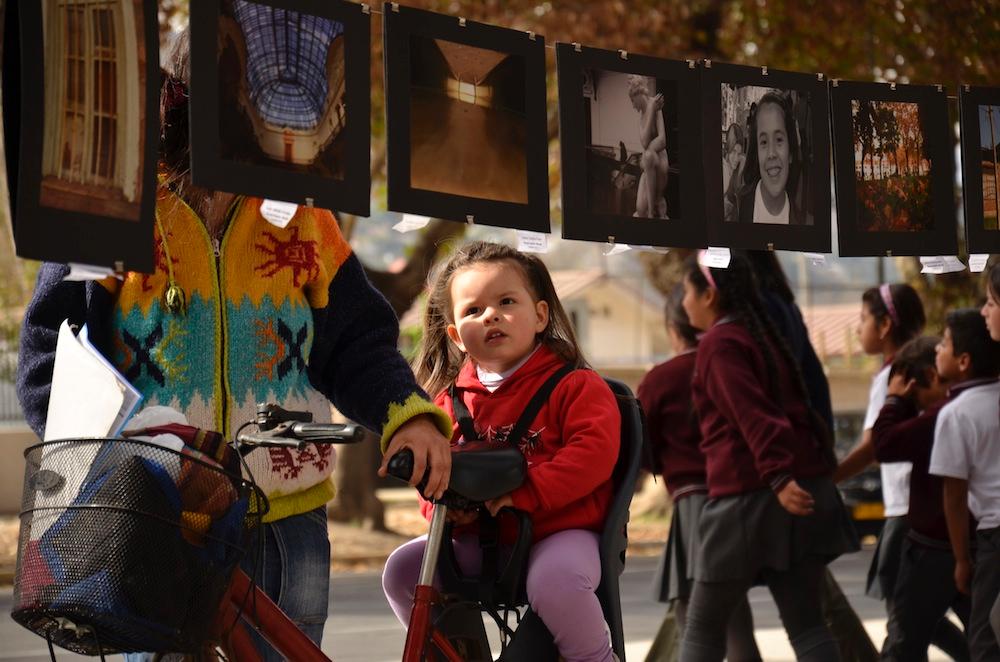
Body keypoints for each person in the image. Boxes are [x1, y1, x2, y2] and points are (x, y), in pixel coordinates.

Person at [16, 29, 453, 661]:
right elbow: (47, 359)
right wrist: (137, 458)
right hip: (155, 516)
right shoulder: (116, 205)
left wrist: (406, 415)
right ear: (191, 100)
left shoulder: (305, 214)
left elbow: (357, 341)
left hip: (288, 515)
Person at [381, 241, 621, 662]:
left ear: (541, 315)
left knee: (557, 583)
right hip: (480, 539)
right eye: (473, 310)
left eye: (506, 302)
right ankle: (454, 654)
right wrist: (443, 505)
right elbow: (432, 471)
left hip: (558, 532)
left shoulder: (577, 385)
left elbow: (593, 455)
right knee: (403, 569)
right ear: (455, 335)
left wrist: (524, 493)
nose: (490, 315)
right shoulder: (446, 403)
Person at [678, 254, 856, 662]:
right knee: (807, 624)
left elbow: (752, 413)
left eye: (686, 291)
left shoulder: (721, 343)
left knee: (703, 627)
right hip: (792, 491)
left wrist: (777, 477)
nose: (683, 302)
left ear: (709, 295)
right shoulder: (758, 334)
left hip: (748, 498)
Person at [742, 250, 877, 662]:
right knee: (810, 612)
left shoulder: (751, 319)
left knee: (710, 606)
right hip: (800, 473)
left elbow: (758, 411)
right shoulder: (785, 309)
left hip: (770, 483)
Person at [639, 288, 761, 662]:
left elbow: (644, 453)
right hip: (742, 497)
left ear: (675, 330)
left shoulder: (660, 379)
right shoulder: (735, 362)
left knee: (695, 619)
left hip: (693, 505)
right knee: (735, 617)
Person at [872, 332, 978, 662]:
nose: (914, 405)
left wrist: (893, 400)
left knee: (904, 642)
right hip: (973, 542)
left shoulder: (942, 415)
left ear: (931, 376)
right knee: (983, 633)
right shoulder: (972, 404)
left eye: (914, 396)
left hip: (932, 546)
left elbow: (885, 445)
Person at [930, 302, 1000, 662]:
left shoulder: (955, 414)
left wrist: (961, 560)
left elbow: (954, 496)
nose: (937, 350)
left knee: (985, 639)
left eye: (944, 343)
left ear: (964, 361)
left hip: (993, 534)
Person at [735, 92, 810, 226]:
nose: (771, 153)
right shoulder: (736, 210)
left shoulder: (804, 224)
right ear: (757, 153)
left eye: (779, 140)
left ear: (791, 153)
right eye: (764, 142)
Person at [628, 75, 669, 220]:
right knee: (639, 208)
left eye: (632, 101)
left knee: (649, 156)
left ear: (638, 95)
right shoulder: (647, 113)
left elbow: (662, 140)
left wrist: (647, 152)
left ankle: (652, 212)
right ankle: (649, 211)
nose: (633, 106)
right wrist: (650, 109)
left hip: (660, 160)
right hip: (649, 164)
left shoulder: (656, 105)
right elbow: (644, 142)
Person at [722, 123, 746, 223]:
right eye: (733, 152)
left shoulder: (735, 171)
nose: (736, 158)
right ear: (728, 148)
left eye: (739, 153)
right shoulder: (724, 170)